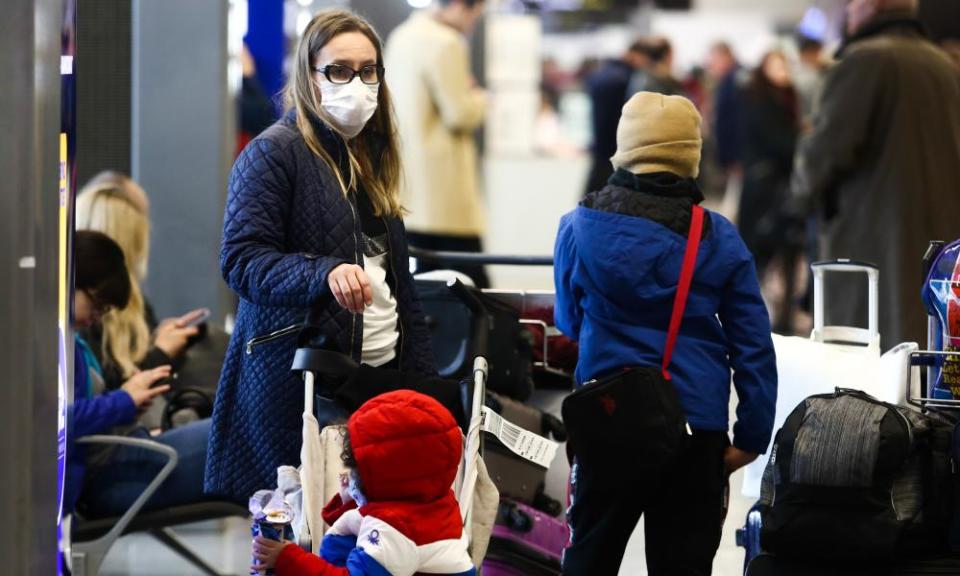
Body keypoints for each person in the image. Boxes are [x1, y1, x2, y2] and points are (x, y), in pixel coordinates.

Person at [206, 9, 436, 503]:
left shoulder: (371, 154)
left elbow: (400, 287)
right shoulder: (274, 153)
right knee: (300, 541)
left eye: (368, 69)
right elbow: (241, 261)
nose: (356, 82)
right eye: (338, 69)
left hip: (379, 381)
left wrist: (425, 387)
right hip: (303, 386)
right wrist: (324, 273)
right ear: (310, 76)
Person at [554, 92, 777, 575]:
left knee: (589, 558)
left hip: (606, 419)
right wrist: (753, 435)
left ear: (624, 148)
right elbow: (752, 343)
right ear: (690, 156)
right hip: (694, 430)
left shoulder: (576, 227)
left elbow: (569, 322)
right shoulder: (718, 236)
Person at [793, 0, 960, 346]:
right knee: (924, 350)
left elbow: (821, 158)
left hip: (871, 243)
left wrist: (800, 191)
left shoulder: (863, 61)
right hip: (939, 241)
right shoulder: (944, 66)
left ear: (869, 7)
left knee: (866, 364)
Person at [250, 390, 473, 575]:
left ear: (389, 476)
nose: (349, 476)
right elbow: (354, 527)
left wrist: (288, 559)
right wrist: (351, 500)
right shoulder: (427, 499)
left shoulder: (395, 530)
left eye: (357, 470)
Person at [67, 231, 210, 518]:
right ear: (71, 282)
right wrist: (124, 401)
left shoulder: (74, 341)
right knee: (237, 435)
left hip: (114, 458)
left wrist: (129, 403)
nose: (96, 316)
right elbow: (54, 421)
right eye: (95, 304)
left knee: (237, 431)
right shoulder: (55, 345)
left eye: (103, 309)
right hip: (103, 477)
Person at [385, 0, 490, 287]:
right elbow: (461, 114)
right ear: (459, 6)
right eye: (476, 15)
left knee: (420, 286)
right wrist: (481, 99)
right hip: (444, 189)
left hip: (408, 181)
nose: (473, 24)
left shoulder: (401, 35)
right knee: (471, 284)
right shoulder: (447, 43)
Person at [75, 171, 200, 391]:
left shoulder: (128, 304)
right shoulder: (81, 315)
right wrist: (161, 351)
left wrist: (159, 340)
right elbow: (110, 391)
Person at [738, 50, 803, 333]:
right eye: (775, 65)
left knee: (787, 255)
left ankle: (782, 317)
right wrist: (802, 139)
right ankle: (754, 316)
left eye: (783, 64)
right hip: (765, 193)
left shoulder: (788, 98)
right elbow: (780, 144)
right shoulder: (760, 101)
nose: (782, 70)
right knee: (760, 256)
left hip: (781, 190)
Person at [582, 41, 650, 196]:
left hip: (600, 143)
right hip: (613, 145)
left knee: (594, 194)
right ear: (635, 55)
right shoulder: (621, 79)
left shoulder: (604, 72)